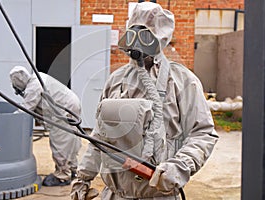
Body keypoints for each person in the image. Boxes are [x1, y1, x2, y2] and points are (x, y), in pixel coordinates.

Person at [69, 2, 218, 200]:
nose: (138, 40)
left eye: (146, 34)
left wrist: (179, 166)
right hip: (114, 195)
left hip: (158, 195)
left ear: (160, 36)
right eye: (133, 32)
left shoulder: (182, 81)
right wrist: (83, 178)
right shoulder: (116, 80)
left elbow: (203, 133)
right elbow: (101, 138)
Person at [9, 66, 82, 187]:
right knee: (71, 139)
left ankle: (62, 176)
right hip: (71, 105)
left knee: (60, 142)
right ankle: (73, 169)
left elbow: (26, 109)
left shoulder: (33, 86)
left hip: (62, 112)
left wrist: (8, 120)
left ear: (19, 82)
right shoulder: (39, 77)